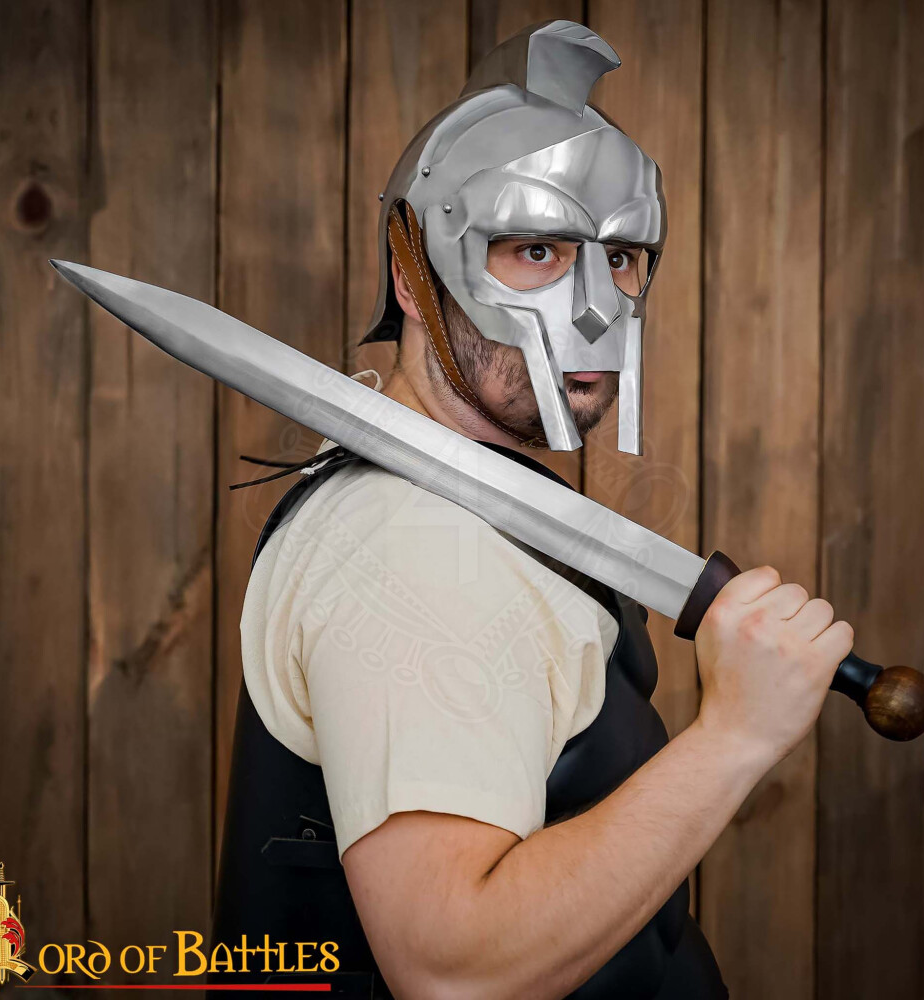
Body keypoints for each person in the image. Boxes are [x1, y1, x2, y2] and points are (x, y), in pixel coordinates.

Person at [208, 20, 854, 999]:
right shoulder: (415, 545)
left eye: (622, 256)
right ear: (412, 273)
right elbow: (454, 968)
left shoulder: (471, 504)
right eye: (537, 249)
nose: (594, 306)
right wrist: (737, 735)